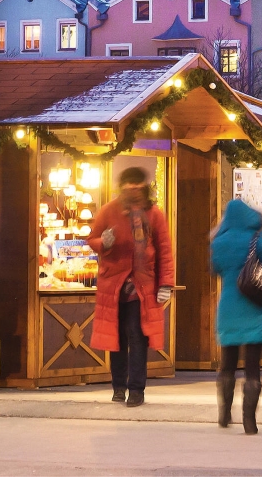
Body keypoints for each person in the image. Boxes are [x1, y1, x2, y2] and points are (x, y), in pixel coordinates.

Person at [88, 165, 174, 406]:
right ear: (123, 188)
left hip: (142, 285)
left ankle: (136, 390)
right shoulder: (109, 211)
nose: (134, 190)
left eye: (138, 186)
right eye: (130, 186)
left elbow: (165, 250)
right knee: (116, 337)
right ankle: (118, 386)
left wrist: (166, 283)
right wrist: (103, 241)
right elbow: (92, 239)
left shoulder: (154, 214)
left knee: (137, 336)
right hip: (113, 283)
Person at [210, 196, 262, 435]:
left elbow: (215, 269)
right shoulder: (258, 239)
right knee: (253, 366)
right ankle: (249, 421)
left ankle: (224, 413)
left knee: (227, 363)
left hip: (228, 307)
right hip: (256, 305)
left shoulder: (218, 242)